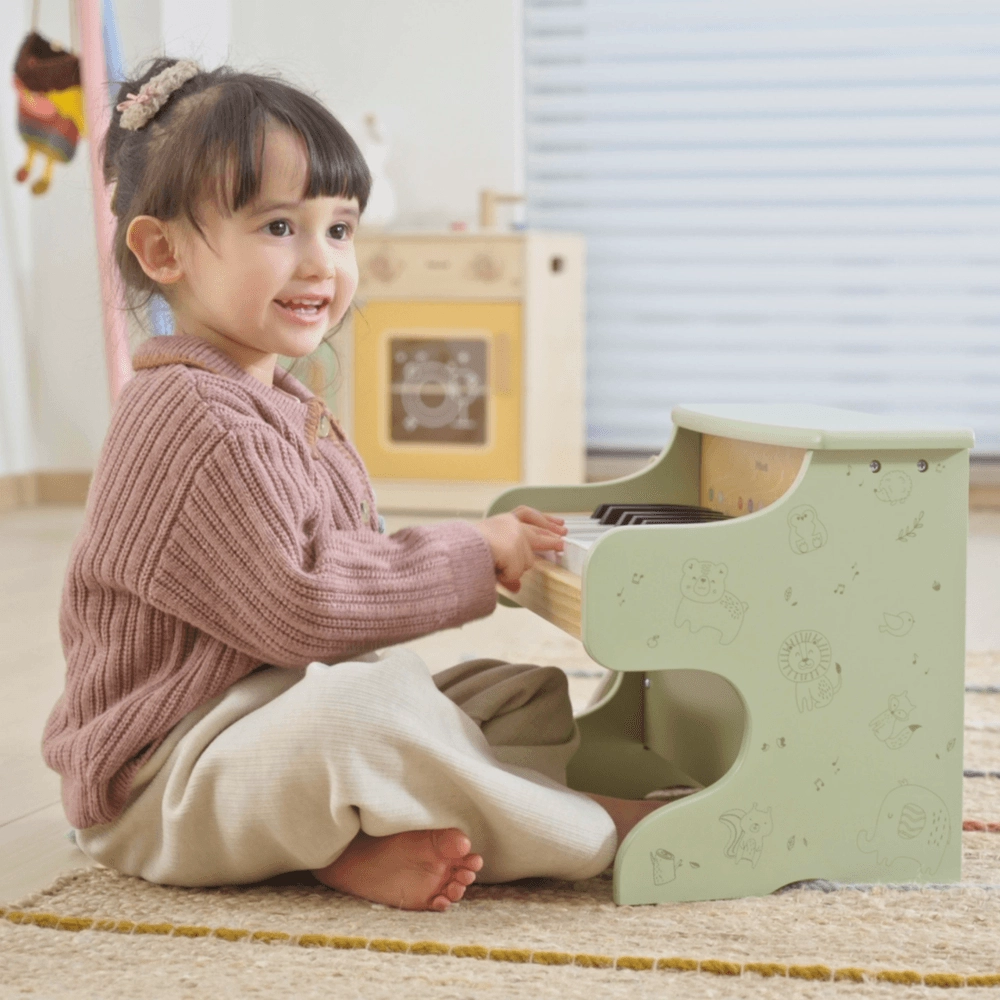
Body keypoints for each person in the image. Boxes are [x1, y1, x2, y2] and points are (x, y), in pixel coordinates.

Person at [42, 59, 661, 913]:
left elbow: (341, 580)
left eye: (339, 230)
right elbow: (304, 606)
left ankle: (349, 844)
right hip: (164, 782)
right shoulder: (192, 418)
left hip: (263, 722)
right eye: (277, 228)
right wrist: (473, 554)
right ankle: (591, 829)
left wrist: (477, 565)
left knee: (515, 693)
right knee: (365, 713)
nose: (320, 264)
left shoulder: (274, 401)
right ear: (164, 250)